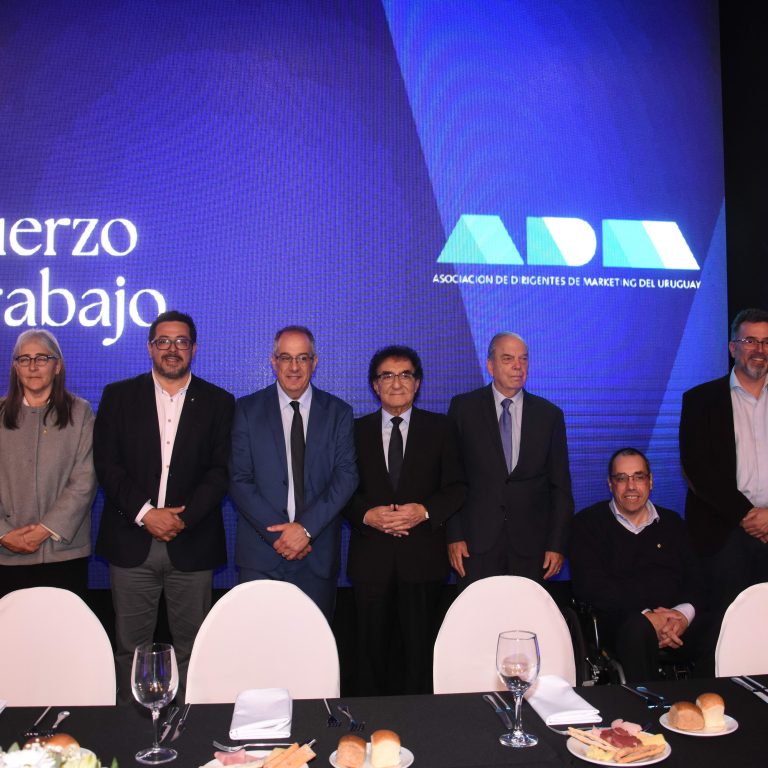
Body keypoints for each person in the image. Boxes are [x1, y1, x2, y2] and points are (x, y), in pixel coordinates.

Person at [94, 310, 234, 702]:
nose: (172, 349)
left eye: (181, 341)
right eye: (163, 341)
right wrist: (146, 514)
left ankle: (189, 729)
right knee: (131, 649)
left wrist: (181, 519)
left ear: (194, 348)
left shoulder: (219, 402)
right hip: (131, 541)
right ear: (150, 347)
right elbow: (107, 465)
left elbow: (221, 471)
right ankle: (131, 729)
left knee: (193, 650)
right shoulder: (118, 396)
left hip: (192, 542)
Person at [344, 346, 465, 695]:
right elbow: (339, 488)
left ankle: (421, 723)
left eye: (405, 375)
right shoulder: (353, 431)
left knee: (420, 656)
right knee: (370, 658)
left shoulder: (442, 429)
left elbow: (457, 486)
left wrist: (423, 511)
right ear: (375, 385)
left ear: (418, 383)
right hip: (371, 562)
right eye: (387, 376)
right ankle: (370, 720)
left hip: (423, 561)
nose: (396, 383)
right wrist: (366, 514)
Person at [229, 325, 357, 623]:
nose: (294, 367)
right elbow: (239, 479)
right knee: (257, 643)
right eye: (286, 358)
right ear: (273, 362)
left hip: (316, 554)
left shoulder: (338, 412)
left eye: (302, 358)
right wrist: (282, 536)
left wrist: (304, 530)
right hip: (261, 556)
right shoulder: (246, 409)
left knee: (313, 646)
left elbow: (346, 477)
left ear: (315, 361)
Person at [570, 447, 715, 681]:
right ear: (610, 484)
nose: (631, 486)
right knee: (637, 629)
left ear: (650, 481)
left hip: (674, 622)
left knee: (720, 626)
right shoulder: (587, 524)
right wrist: (648, 617)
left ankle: (705, 702)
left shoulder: (673, 523)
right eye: (622, 478)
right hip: (621, 622)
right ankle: (645, 704)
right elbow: (590, 585)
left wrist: (681, 615)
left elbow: (696, 579)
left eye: (638, 477)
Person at [446, 332, 573, 586]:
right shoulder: (463, 408)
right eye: (508, 359)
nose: (518, 366)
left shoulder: (549, 415)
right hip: (475, 545)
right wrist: (454, 535)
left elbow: (560, 487)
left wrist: (556, 544)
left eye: (523, 359)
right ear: (490, 365)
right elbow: (450, 478)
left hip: (533, 548)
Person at [680, 307, 768, 614]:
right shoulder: (700, 400)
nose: (759, 349)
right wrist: (748, 514)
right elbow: (697, 469)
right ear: (732, 348)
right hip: (723, 534)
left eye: (766, 342)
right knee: (727, 625)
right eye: (750, 341)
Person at [0, 329, 97, 599]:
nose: (32, 366)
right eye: (24, 359)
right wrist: (5, 534)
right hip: (7, 553)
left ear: (57, 366)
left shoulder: (81, 412)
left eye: (42, 358)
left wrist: (45, 530)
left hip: (64, 554)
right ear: (15, 367)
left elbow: (85, 480)